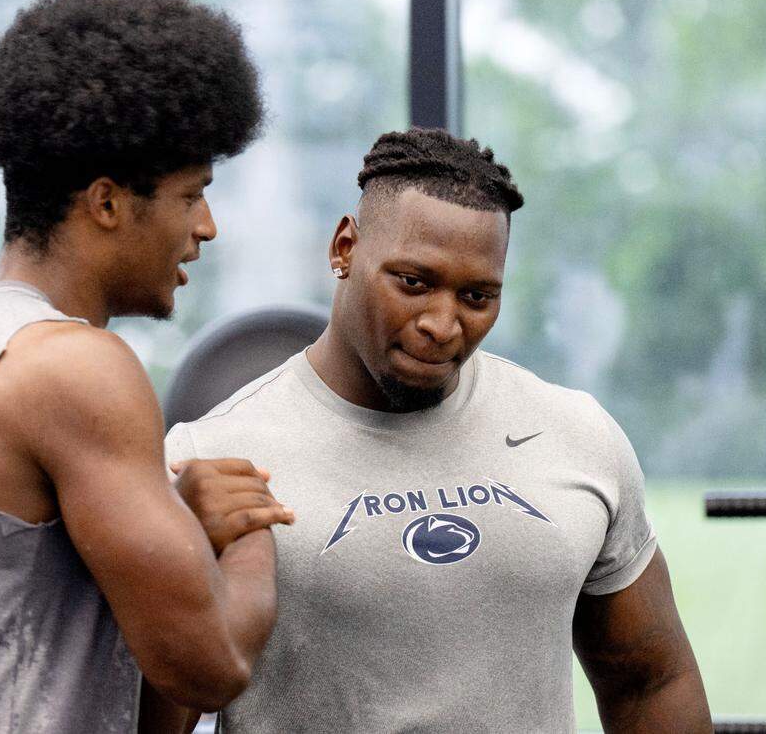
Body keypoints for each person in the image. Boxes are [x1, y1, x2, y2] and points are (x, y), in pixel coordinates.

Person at [0, 0, 294, 733]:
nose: (206, 227)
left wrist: (185, 533)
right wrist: (255, 533)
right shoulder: (77, 366)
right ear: (108, 203)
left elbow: (140, 705)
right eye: (192, 195)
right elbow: (211, 663)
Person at [162, 128, 712, 732]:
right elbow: (145, 718)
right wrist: (181, 549)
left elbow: (650, 681)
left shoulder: (573, 435)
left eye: (476, 297)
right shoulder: (206, 458)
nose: (442, 324)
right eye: (414, 283)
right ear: (345, 247)